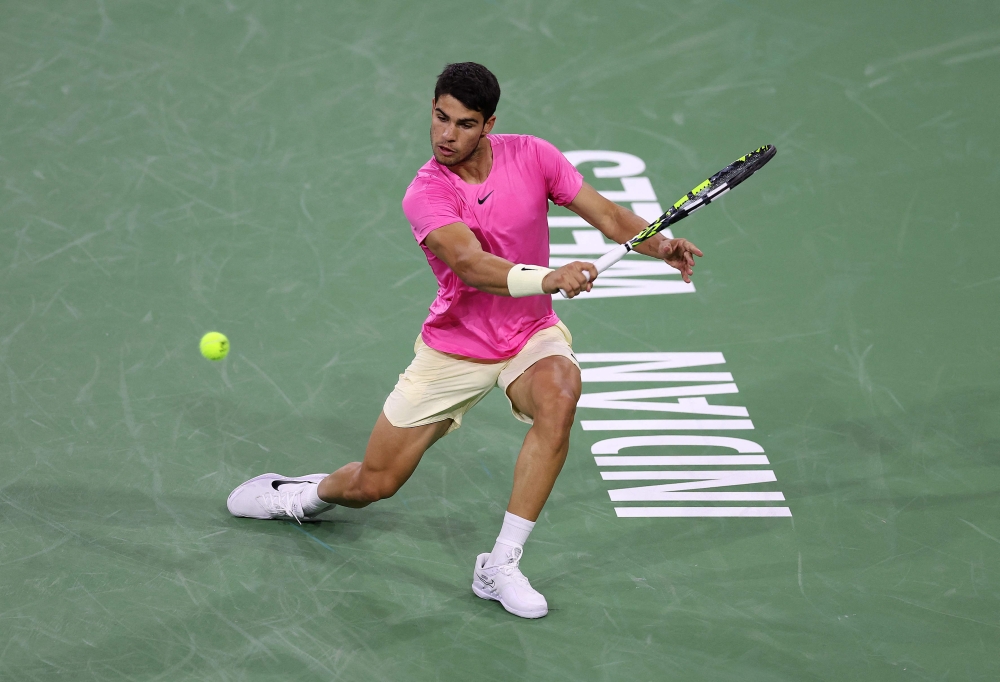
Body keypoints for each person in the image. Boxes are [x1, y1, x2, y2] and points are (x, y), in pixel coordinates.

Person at [226, 62, 702, 619]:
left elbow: (609, 215)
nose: (446, 135)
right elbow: (471, 265)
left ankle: (499, 565)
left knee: (560, 395)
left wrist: (661, 247)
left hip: (528, 334)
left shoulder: (533, 156)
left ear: (489, 124)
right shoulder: (426, 192)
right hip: (455, 347)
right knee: (375, 483)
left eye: (464, 123)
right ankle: (302, 496)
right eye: (439, 117)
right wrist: (547, 278)